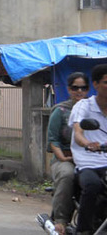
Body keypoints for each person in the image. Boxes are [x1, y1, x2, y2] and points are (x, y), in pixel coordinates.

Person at [47, 72, 89, 235]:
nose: (79, 91)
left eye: (83, 88)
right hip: (66, 158)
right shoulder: (61, 110)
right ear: (69, 89)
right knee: (67, 175)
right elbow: (53, 140)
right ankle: (61, 220)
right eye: (75, 87)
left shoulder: (94, 109)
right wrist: (63, 157)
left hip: (91, 158)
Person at [69, 64, 107, 235]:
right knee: (92, 185)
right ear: (95, 84)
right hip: (88, 162)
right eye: (106, 82)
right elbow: (78, 132)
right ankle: (83, 230)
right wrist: (87, 144)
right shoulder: (84, 106)